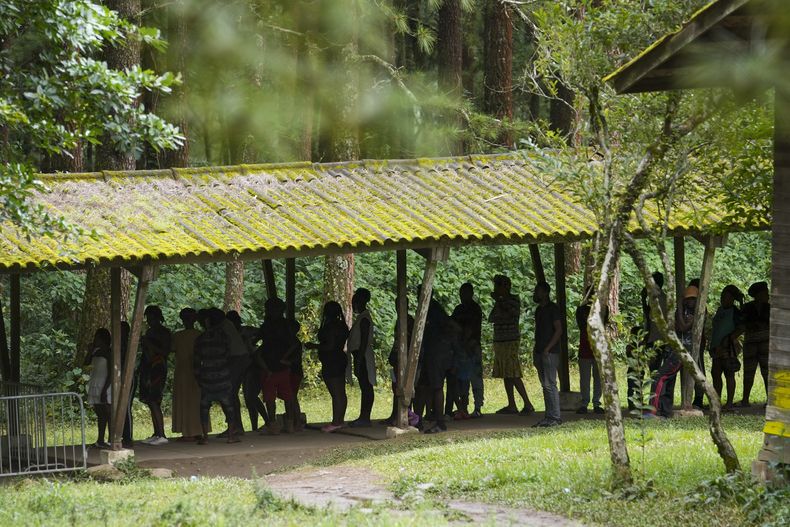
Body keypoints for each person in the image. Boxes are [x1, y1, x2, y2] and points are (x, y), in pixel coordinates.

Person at [489, 275, 533, 415]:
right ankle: (512, 404)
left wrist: (500, 301)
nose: (496, 289)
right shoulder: (500, 302)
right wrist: (499, 304)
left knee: (513, 372)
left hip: (510, 340)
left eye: (498, 286)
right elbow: (492, 318)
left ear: (506, 286)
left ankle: (527, 403)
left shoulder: (513, 299)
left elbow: (513, 314)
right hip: (500, 341)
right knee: (505, 373)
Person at [193, 308, 239, 444]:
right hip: (223, 376)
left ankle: (205, 437)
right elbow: (228, 354)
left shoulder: (200, 339)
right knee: (228, 406)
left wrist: (198, 376)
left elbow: (196, 361)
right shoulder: (224, 336)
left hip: (207, 376)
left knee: (204, 407)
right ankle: (231, 436)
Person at [257, 298, 300, 434]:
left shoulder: (272, 326)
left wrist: (285, 358)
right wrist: (285, 359)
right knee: (285, 397)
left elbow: (294, 344)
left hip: (271, 366)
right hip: (277, 366)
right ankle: (288, 424)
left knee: (273, 398)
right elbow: (294, 344)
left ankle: (275, 425)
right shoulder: (281, 325)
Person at [306, 301, 350, 432]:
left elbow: (330, 346)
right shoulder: (342, 325)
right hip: (339, 359)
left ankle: (336, 422)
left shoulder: (331, 327)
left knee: (336, 393)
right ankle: (339, 420)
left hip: (332, 360)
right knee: (340, 392)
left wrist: (314, 346)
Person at [419, 300, 459, 434]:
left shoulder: (434, 313)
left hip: (437, 354)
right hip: (433, 353)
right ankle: (420, 420)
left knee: (436, 387)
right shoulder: (434, 312)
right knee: (424, 386)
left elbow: (454, 328)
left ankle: (440, 422)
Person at [138, 305, 171, 446]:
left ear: (158, 317)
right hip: (147, 368)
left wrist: (148, 343)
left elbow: (165, 352)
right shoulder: (150, 332)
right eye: (148, 318)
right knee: (150, 401)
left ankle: (162, 434)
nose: (149, 320)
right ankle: (156, 433)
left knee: (154, 400)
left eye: (152, 318)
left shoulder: (164, 332)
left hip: (158, 367)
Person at [532, 281, 563, 427]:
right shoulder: (539, 310)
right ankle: (548, 416)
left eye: (538, 291)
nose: (535, 293)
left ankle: (555, 417)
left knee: (550, 384)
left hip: (550, 352)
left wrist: (548, 348)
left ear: (545, 292)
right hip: (539, 351)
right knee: (545, 385)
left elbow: (558, 330)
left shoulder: (553, 309)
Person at [170, 308, 204, 440]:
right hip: (197, 370)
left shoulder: (178, 336)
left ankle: (188, 432)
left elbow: (172, 349)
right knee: (196, 400)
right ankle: (198, 431)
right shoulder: (199, 334)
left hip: (183, 371)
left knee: (185, 400)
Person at [451, 283, 484, 418]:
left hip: (472, 346)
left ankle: (477, 407)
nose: (462, 296)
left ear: (470, 293)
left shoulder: (474, 309)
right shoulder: (459, 309)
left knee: (475, 379)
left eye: (464, 293)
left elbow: (471, 329)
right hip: (463, 348)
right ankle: (464, 407)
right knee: (463, 380)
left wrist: (464, 340)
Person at [710, 284, 744, 410]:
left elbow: (742, 327)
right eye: (722, 296)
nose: (723, 299)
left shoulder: (735, 312)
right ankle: (717, 402)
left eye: (726, 297)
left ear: (732, 299)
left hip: (727, 347)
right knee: (715, 373)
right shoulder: (720, 310)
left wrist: (729, 338)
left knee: (729, 373)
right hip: (716, 347)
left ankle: (729, 402)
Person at [234, 314, 268, 430]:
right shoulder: (237, 333)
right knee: (250, 399)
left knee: (251, 397)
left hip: (252, 365)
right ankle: (258, 425)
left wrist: (254, 342)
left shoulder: (245, 331)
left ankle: (266, 422)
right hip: (244, 367)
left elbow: (263, 333)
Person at [384, 296, 414, 426]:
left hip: (405, 357)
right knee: (395, 385)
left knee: (405, 386)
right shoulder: (399, 321)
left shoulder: (409, 320)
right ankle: (394, 413)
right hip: (397, 356)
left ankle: (405, 414)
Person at [348, 288, 376, 427]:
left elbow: (363, 341)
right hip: (360, 355)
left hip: (362, 355)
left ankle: (365, 417)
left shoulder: (364, 318)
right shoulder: (361, 317)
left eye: (355, 301)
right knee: (365, 386)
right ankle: (363, 416)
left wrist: (358, 360)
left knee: (366, 386)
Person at [220, 310, 250, 437]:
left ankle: (234, 426)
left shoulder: (223, 327)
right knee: (232, 394)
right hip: (241, 360)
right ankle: (236, 426)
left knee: (229, 394)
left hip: (236, 360)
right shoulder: (230, 327)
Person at [676, 285, 706, 409]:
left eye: (693, 299)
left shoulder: (701, 310)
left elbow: (683, 327)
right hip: (682, 346)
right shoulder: (681, 310)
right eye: (688, 299)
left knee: (698, 372)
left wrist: (685, 322)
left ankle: (698, 399)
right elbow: (679, 326)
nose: (690, 302)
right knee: (682, 373)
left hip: (695, 347)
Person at [741, 281, 769, 406]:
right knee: (748, 372)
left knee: (767, 372)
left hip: (766, 344)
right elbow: (742, 323)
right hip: (751, 344)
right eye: (765, 293)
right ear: (758, 294)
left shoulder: (769, 308)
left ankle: (770, 400)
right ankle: (745, 400)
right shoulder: (747, 308)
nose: (767, 295)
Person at [576, 290, 603, 415]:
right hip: (585, 348)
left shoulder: (603, 309)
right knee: (585, 379)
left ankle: (596, 403)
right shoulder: (581, 310)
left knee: (598, 378)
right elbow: (583, 326)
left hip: (598, 349)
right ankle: (584, 403)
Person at [85, 328, 112, 449]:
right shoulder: (95, 351)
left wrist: (105, 389)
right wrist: (90, 351)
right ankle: (100, 439)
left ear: (103, 340)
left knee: (108, 412)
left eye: (97, 338)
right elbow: (86, 363)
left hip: (105, 384)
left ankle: (112, 438)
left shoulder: (108, 352)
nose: (95, 340)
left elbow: (111, 372)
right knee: (100, 414)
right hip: (95, 383)